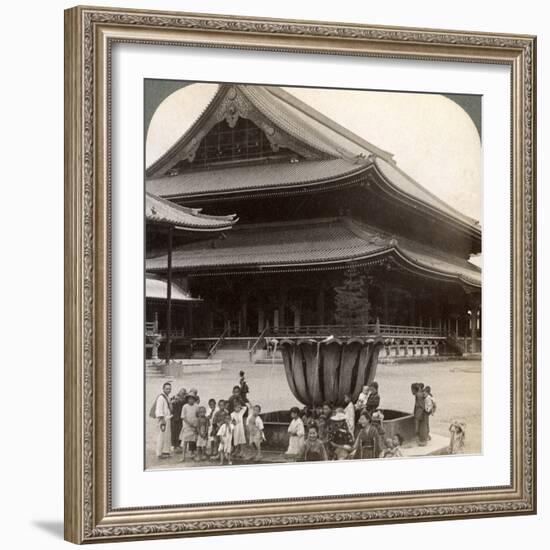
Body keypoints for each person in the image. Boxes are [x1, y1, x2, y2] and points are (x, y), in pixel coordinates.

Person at [153, 382, 173, 459]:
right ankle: (159, 453)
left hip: (167, 418)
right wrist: (162, 419)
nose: (169, 390)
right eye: (167, 388)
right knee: (161, 436)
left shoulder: (167, 397)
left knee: (167, 436)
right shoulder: (161, 398)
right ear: (163, 389)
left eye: (170, 389)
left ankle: (166, 452)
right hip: (163, 419)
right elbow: (159, 409)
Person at [180, 394, 199, 461]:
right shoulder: (185, 406)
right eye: (190, 399)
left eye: (193, 399)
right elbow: (183, 417)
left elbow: (197, 415)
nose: (191, 400)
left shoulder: (196, 406)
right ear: (187, 399)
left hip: (194, 426)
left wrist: (195, 424)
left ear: (194, 400)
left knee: (193, 441)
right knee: (185, 441)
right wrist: (189, 423)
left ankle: (193, 455)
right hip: (187, 426)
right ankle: (183, 456)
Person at [169, 388, 187, 453]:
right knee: (174, 432)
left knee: (180, 432)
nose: (183, 395)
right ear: (179, 393)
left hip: (180, 418)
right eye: (182, 393)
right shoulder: (174, 399)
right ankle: (174, 446)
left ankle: (178, 445)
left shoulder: (184, 400)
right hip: (174, 418)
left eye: (184, 393)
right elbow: (169, 405)